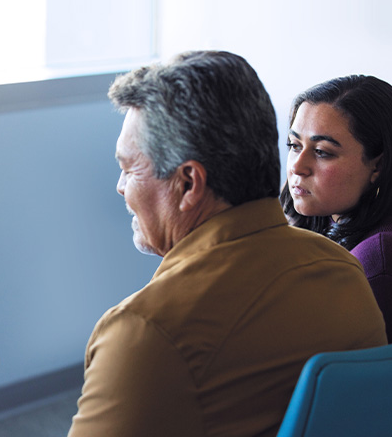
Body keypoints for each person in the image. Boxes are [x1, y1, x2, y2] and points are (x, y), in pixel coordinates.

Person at [67, 51, 387, 437]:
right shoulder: (345, 273)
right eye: (294, 145)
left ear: (188, 184)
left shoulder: (145, 332)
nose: (120, 187)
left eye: (128, 168)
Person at [281, 75, 392, 343]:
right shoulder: (328, 222)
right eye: (295, 146)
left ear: (377, 166)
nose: (298, 166)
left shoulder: (376, 258)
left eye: (322, 152)